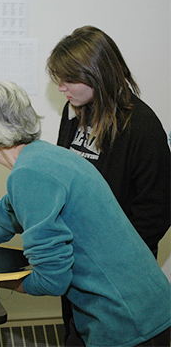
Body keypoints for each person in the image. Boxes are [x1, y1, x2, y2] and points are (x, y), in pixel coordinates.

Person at [0, 81, 171, 347]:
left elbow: (52, 280)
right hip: (137, 304)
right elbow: (3, 221)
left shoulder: (29, 175)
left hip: (127, 320)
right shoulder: (44, 157)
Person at [46, 26, 171, 344]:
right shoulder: (73, 112)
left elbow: (157, 210)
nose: (61, 88)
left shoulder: (142, 126)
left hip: (120, 277)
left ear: (96, 74)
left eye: (68, 79)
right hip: (77, 265)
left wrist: (111, 257)